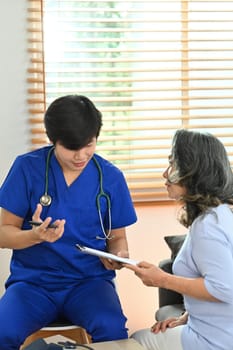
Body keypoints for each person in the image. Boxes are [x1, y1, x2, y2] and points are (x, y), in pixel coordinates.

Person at [0, 94, 137, 349]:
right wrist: (34, 236)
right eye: (71, 148)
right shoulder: (26, 169)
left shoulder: (111, 178)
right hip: (33, 284)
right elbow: (3, 234)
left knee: (113, 330)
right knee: (1, 331)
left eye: (89, 144)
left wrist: (118, 256)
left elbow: (118, 237)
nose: (81, 155)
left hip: (90, 283)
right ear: (53, 140)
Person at [125, 129, 233, 350]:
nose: (166, 174)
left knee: (137, 342)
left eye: (174, 165)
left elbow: (224, 288)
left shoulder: (208, 226)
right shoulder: (219, 214)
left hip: (216, 341)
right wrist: (186, 317)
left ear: (194, 172)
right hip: (213, 330)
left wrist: (162, 279)